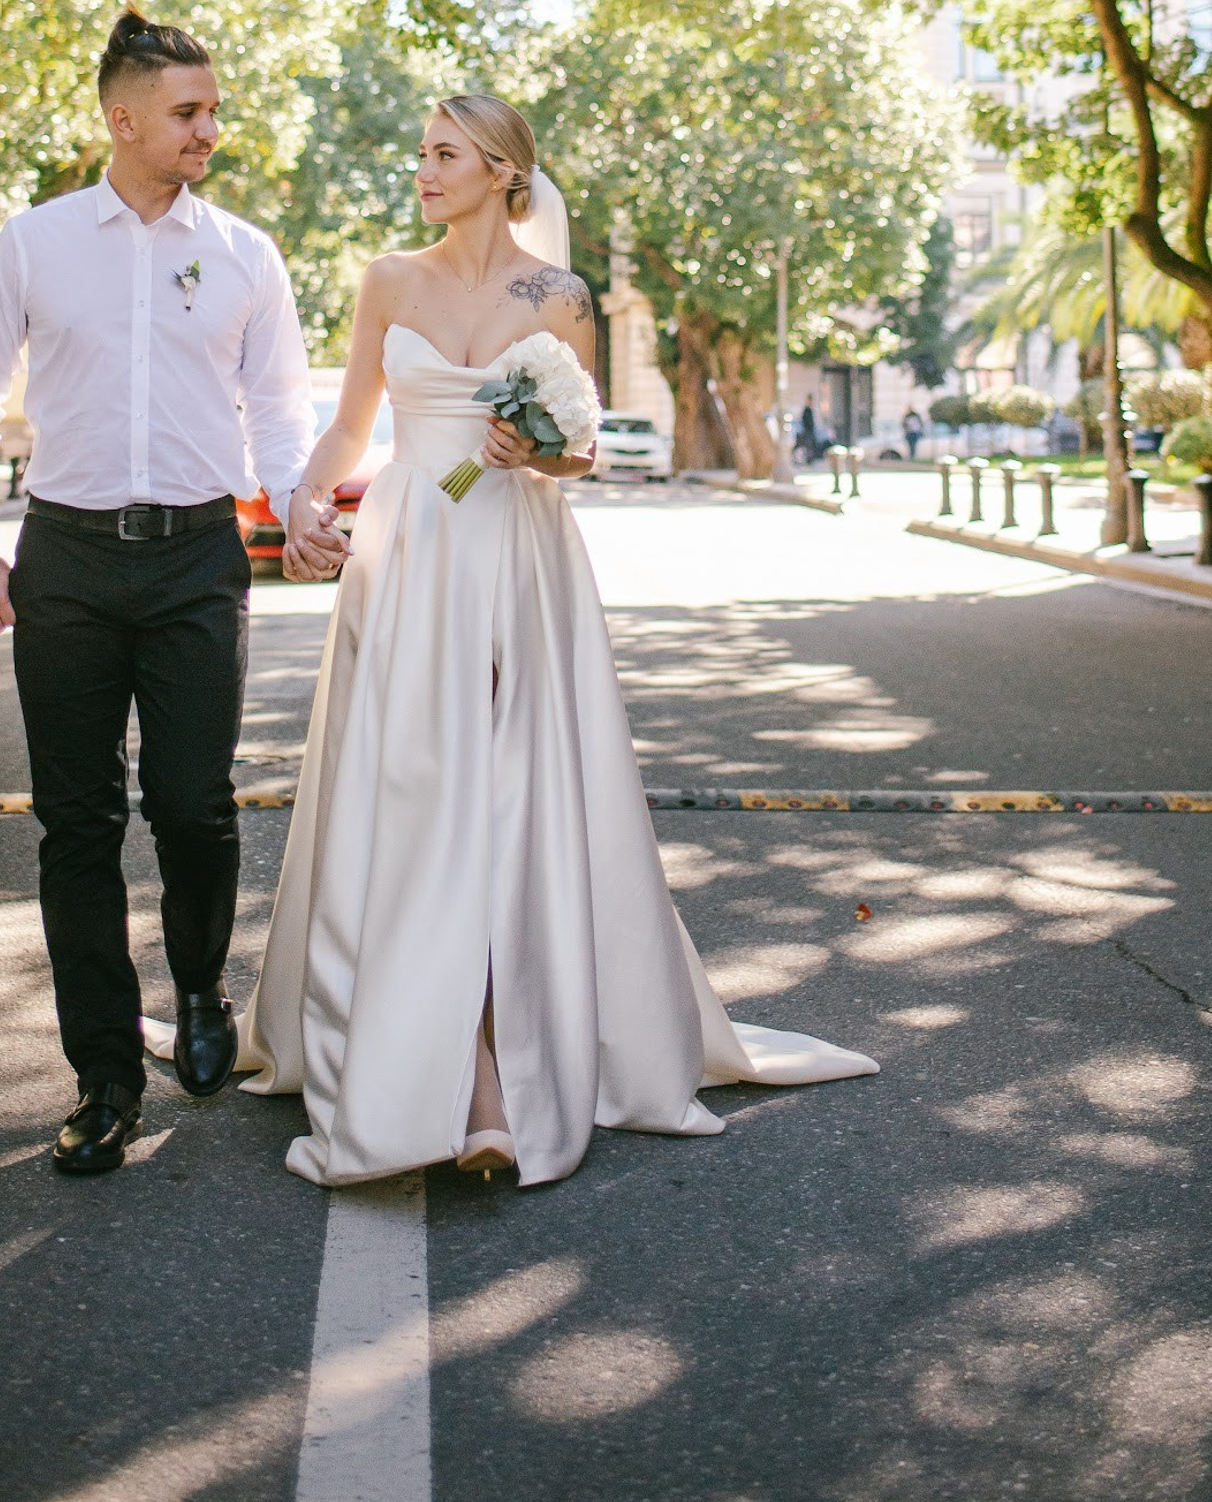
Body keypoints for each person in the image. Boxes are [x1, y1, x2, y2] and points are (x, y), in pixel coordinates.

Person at [238, 92, 875, 1187]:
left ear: (500, 168)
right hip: (410, 553)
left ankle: (492, 1061)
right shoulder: (390, 279)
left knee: (512, 802)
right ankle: (466, 1072)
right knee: (417, 797)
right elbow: (352, 422)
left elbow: (580, 454)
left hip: (518, 562)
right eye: (422, 153)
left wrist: (535, 451)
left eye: (443, 154)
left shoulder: (562, 297)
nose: (424, 172)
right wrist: (303, 501)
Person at [0, 11, 317, 1177]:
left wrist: (299, 507)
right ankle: (104, 1075)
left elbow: (281, 410)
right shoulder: (36, 244)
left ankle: (201, 991)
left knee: (197, 806)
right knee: (79, 825)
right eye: (188, 113)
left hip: (202, 559)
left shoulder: (248, 253)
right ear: (124, 120)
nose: (211, 128)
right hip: (69, 562)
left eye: (211, 109)